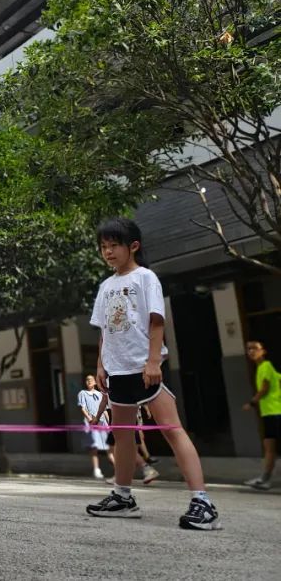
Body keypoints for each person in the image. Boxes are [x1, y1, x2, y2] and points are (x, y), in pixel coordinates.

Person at [85, 218, 220, 530]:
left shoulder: (145, 278)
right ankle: (123, 498)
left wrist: (152, 362)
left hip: (145, 370)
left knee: (172, 430)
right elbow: (105, 330)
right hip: (117, 371)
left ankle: (203, 502)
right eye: (103, 247)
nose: (108, 251)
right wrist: (101, 365)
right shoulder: (106, 287)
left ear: (133, 246)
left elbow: (157, 322)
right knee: (122, 435)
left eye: (114, 245)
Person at [242, 340, 280, 490]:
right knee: (270, 447)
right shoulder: (265, 368)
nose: (251, 351)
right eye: (249, 349)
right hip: (271, 412)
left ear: (263, 351)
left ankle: (265, 479)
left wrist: (251, 403)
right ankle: (265, 478)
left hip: (273, 412)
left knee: (269, 447)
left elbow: (265, 388)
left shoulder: (265, 367)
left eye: (255, 348)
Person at [77, 375, 109, 479]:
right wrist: (90, 419)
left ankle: (118, 468)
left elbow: (104, 410)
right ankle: (96, 469)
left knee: (109, 446)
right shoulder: (83, 393)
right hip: (91, 422)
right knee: (94, 446)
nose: (89, 381)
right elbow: (83, 408)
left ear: (95, 382)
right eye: (87, 380)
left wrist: (108, 423)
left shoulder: (100, 394)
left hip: (102, 421)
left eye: (91, 380)